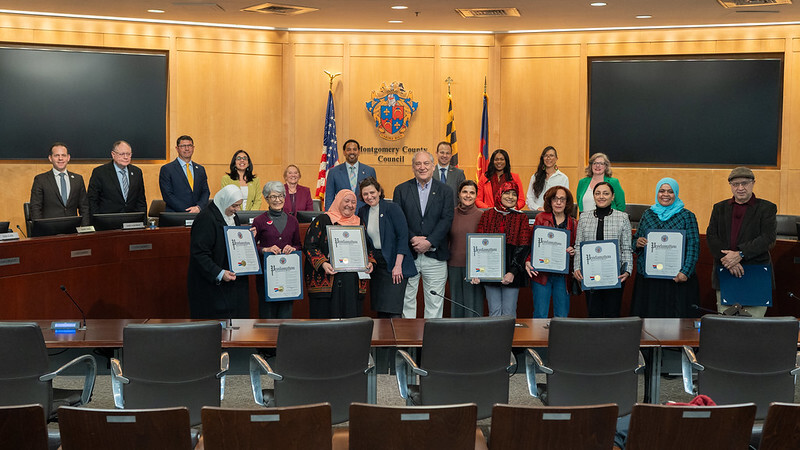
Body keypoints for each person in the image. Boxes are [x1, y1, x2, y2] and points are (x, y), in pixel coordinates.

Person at [707, 167, 777, 318]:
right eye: (735, 184)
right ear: (730, 186)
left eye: (744, 183)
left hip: (755, 275)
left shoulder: (767, 208)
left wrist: (740, 254)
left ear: (753, 183)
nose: (740, 188)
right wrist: (729, 261)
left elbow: (768, 238)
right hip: (726, 273)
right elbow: (711, 236)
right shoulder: (719, 208)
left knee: (753, 328)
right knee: (726, 326)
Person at [392, 151, 455, 318]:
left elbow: (446, 220)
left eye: (426, 163)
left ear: (433, 166)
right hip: (408, 255)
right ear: (413, 167)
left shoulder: (446, 191)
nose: (422, 167)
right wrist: (412, 238)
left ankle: (431, 343)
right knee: (407, 301)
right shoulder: (401, 190)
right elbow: (399, 220)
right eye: (418, 164)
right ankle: (408, 344)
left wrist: (429, 241)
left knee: (434, 303)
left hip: (435, 255)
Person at [630, 178, 700, 318]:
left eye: (670, 191)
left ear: (676, 194)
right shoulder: (648, 214)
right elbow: (635, 241)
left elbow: (693, 246)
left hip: (677, 279)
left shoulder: (687, 216)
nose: (665, 194)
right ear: (657, 193)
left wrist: (685, 272)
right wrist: (638, 243)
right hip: (650, 279)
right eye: (662, 191)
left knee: (675, 323)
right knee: (648, 320)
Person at [304, 189, 374, 318]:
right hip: (327, 278)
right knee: (326, 321)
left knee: (350, 319)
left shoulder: (359, 222)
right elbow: (310, 245)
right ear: (338, 201)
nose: (350, 205)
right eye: (346, 201)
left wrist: (369, 262)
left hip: (352, 281)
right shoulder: (323, 220)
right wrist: (323, 263)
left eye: (353, 202)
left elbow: (368, 247)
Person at [187, 185, 250, 319]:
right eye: (234, 206)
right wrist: (219, 273)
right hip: (210, 286)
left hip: (230, 283)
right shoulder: (206, 218)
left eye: (238, 206)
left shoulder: (233, 216)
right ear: (224, 201)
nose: (236, 210)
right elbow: (199, 253)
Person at [358, 177, 417, 318]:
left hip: (395, 264)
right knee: (381, 308)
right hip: (376, 266)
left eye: (372, 192)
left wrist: (398, 266)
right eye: (365, 194)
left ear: (379, 191)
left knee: (393, 310)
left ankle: (395, 340)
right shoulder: (362, 211)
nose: (369, 196)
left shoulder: (392, 208)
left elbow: (402, 237)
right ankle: (384, 340)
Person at [573, 182, 632, 318]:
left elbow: (627, 248)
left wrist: (627, 271)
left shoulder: (622, 218)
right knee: (593, 313)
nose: (601, 196)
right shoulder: (584, 217)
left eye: (606, 193)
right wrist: (577, 268)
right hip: (590, 274)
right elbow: (578, 245)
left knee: (612, 313)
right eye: (597, 193)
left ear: (612, 197)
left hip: (615, 275)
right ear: (593, 196)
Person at [473, 182, 531, 317]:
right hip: (490, 271)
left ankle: (509, 339)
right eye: (507, 193)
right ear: (499, 194)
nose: (510, 197)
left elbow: (523, 246)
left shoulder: (521, 217)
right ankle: (495, 339)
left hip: (512, 271)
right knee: (494, 311)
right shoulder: (487, 215)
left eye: (514, 194)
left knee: (509, 312)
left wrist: (513, 272)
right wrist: (475, 270)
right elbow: (479, 245)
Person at [525, 186, 577, 318]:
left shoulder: (573, 222)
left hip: (562, 276)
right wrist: (528, 261)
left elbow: (577, 246)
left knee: (562, 315)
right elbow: (532, 243)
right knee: (540, 314)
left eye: (562, 199)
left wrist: (573, 250)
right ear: (550, 201)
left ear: (567, 202)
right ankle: (538, 339)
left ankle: (560, 340)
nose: (558, 203)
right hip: (542, 273)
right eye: (555, 199)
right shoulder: (541, 218)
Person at [254, 181, 302, 319]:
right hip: (266, 277)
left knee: (286, 314)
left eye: (281, 196)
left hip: (288, 276)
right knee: (267, 316)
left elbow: (299, 245)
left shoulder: (293, 221)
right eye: (273, 196)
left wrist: (293, 248)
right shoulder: (259, 221)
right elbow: (252, 248)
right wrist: (265, 249)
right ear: (266, 198)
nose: (277, 200)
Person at [448, 180, 485, 317]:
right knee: (456, 305)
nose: (468, 195)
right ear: (459, 194)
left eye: (472, 192)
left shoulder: (482, 216)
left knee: (473, 306)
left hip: (475, 269)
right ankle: (457, 337)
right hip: (453, 265)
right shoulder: (450, 214)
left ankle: (474, 337)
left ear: (476, 196)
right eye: (464, 192)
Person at [29, 142, 90, 225]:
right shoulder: (40, 180)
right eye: (56, 155)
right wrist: (41, 229)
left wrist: (85, 229)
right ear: (50, 158)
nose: (60, 158)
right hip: (50, 231)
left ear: (68, 158)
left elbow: (84, 207)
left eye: (63, 155)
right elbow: (35, 208)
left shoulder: (78, 179)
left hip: (73, 230)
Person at [87, 140, 147, 214]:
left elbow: (141, 200)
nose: (126, 157)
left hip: (131, 220)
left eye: (128, 154)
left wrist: (143, 222)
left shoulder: (137, 172)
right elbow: (92, 201)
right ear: (113, 154)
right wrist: (96, 221)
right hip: (108, 220)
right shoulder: (100, 172)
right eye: (122, 154)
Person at [159, 135, 210, 213]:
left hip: (198, 214)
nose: (187, 149)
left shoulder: (200, 169)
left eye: (189, 145)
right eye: (183, 146)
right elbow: (167, 195)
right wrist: (187, 210)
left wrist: (198, 207)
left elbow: (205, 191)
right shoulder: (167, 169)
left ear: (193, 148)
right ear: (177, 149)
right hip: (176, 215)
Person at [324, 139, 376, 211]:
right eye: (348, 150)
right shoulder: (333, 172)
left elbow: (374, 197)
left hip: (364, 215)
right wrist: (329, 217)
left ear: (359, 152)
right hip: (341, 216)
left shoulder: (369, 171)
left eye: (355, 149)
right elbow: (329, 198)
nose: (352, 152)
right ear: (344, 152)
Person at [526, 146, 570, 211]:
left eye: (551, 155)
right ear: (543, 158)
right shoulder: (535, 177)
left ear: (556, 158)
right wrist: (538, 208)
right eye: (546, 156)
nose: (548, 158)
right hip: (537, 214)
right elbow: (529, 198)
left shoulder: (563, 178)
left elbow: (565, 199)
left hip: (555, 215)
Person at [435, 141, 466, 207]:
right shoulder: (428, 173)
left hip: (453, 214)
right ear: (436, 153)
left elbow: (463, 196)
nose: (445, 156)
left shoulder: (459, 174)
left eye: (447, 153)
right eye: (442, 152)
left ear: (451, 155)